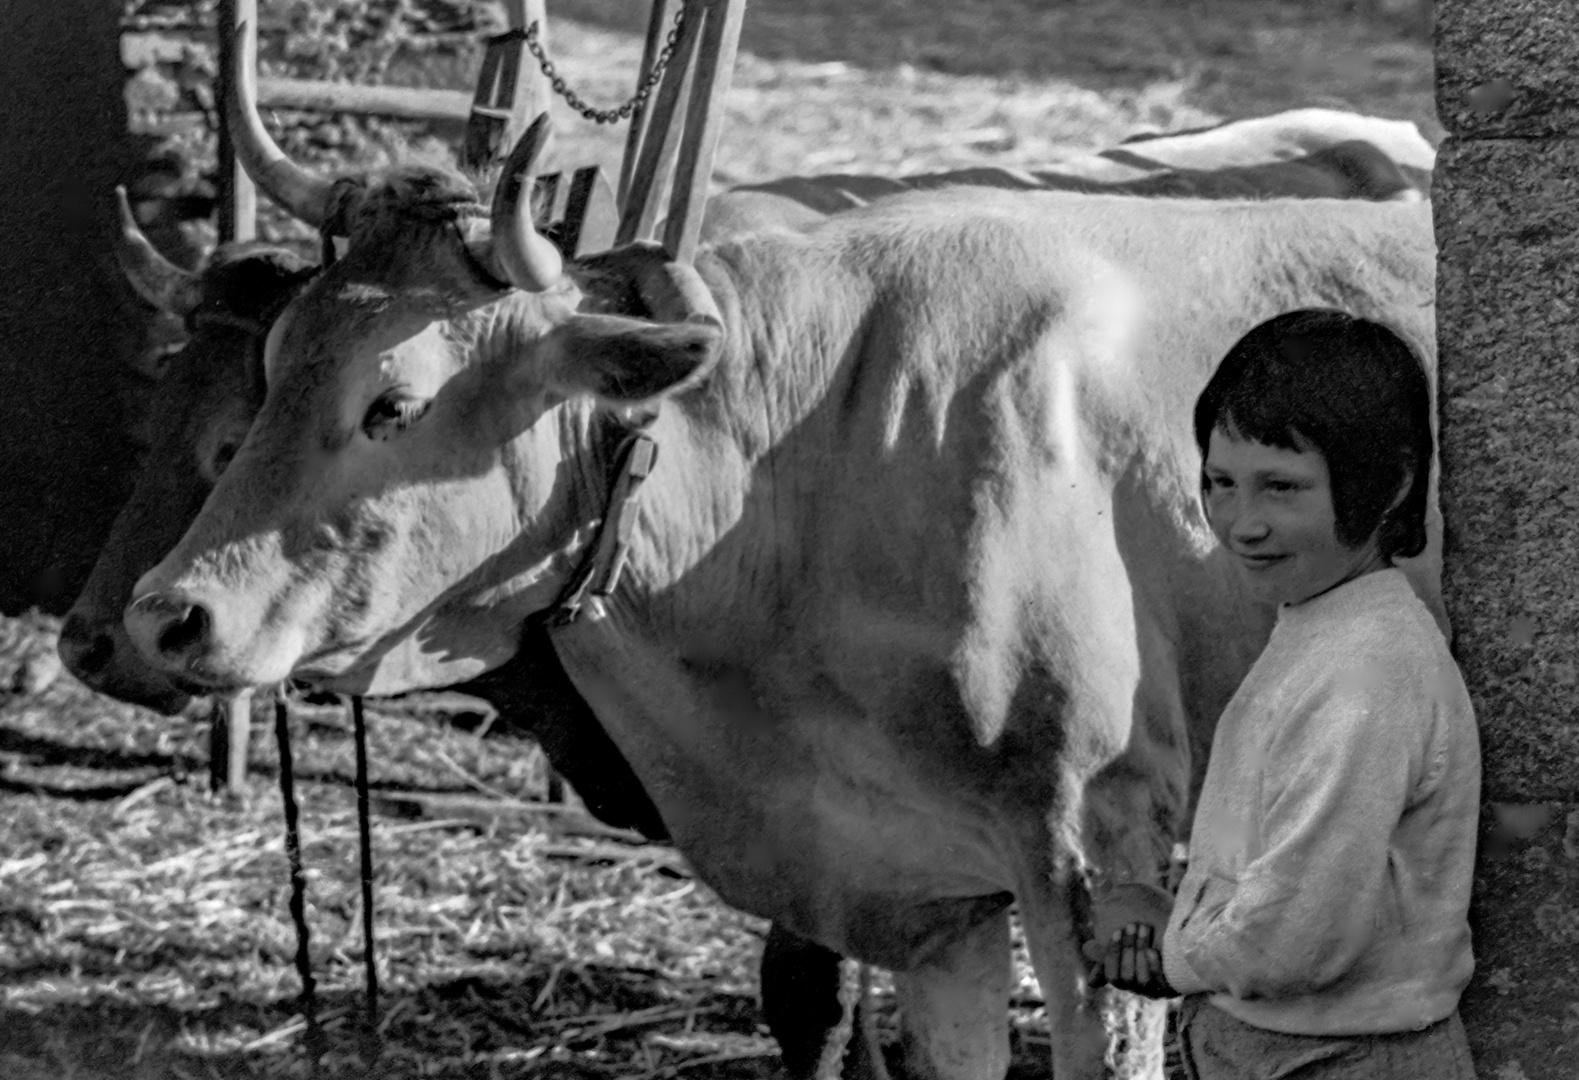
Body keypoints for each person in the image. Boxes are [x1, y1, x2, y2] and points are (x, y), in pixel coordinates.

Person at [1083, 309, 1481, 1078]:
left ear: (1388, 484)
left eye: (1281, 488)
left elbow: (1300, 933)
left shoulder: (1366, 674)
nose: (1240, 523)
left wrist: (1165, 953)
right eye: (1219, 483)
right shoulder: (1322, 626)